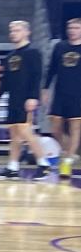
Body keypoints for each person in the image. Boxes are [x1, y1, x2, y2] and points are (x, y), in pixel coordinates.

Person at [0, 19, 46, 180]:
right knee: (14, 134)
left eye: (17, 30)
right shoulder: (10, 56)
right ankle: (13, 167)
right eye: (12, 30)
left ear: (26, 32)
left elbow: (37, 76)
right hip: (13, 99)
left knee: (25, 131)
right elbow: (5, 81)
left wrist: (33, 97)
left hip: (26, 98)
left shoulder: (33, 52)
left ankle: (44, 164)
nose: (13, 33)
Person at [46, 18, 81, 179]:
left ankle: (66, 162)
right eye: (70, 27)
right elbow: (51, 69)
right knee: (55, 128)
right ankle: (68, 152)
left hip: (78, 93)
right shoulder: (60, 46)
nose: (72, 30)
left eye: (76, 27)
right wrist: (45, 88)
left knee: (75, 128)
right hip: (60, 92)